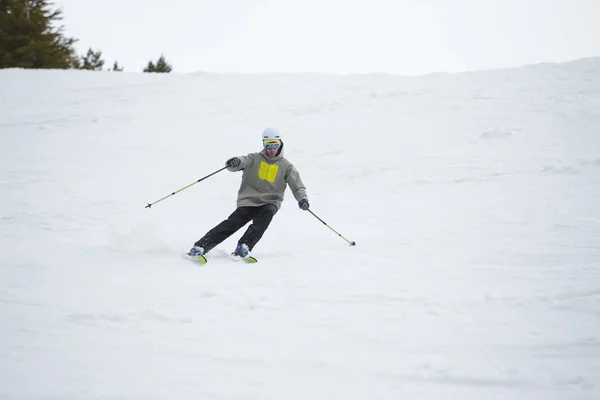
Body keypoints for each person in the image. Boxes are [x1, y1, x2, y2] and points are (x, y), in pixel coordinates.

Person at [187, 127, 309, 260]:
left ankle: (244, 246)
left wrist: (302, 199)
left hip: (270, 201)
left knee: (265, 216)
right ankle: (201, 246)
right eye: (268, 145)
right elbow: (240, 162)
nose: (272, 149)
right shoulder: (254, 158)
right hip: (249, 200)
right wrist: (234, 162)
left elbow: (297, 186)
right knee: (232, 223)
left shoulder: (286, 166)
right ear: (264, 144)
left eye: (275, 145)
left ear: (280, 143)